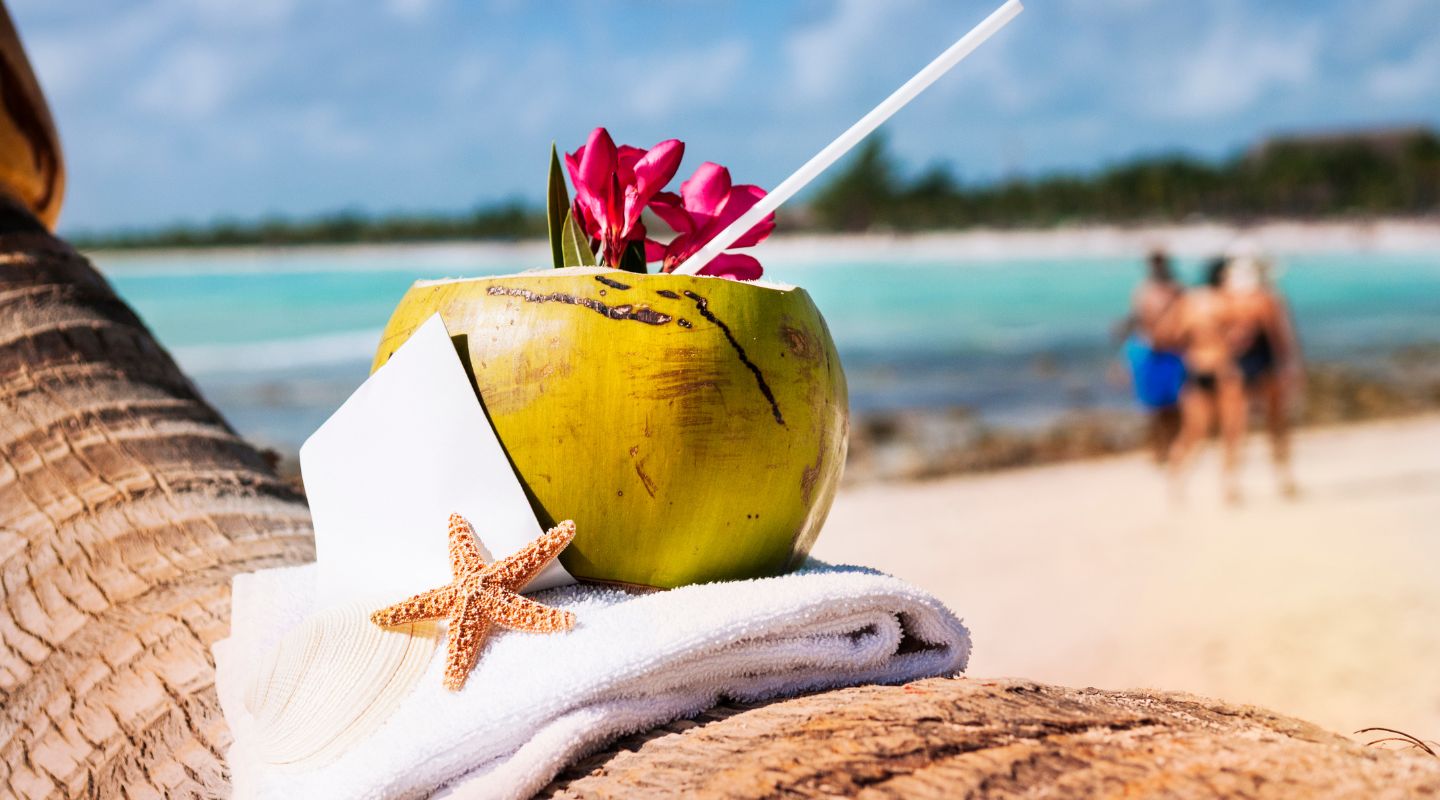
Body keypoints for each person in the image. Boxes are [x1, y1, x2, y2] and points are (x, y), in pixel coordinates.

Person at [1156, 258, 1247, 503]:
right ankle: (1229, 487)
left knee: (1192, 433)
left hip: (1194, 367)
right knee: (1231, 431)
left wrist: (1193, 344)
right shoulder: (1227, 301)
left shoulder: (1188, 301)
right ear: (1224, 276)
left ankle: (1176, 486)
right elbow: (1242, 336)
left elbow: (1165, 335)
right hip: (1222, 369)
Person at [1223, 251, 1302, 497]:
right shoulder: (1267, 300)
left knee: (1235, 427)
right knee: (1275, 423)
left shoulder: (1226, 299)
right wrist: (1291, 367)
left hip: (1237, 365)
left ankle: (1231, 483)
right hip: (1264, 363)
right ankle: (1283, 478)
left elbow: (1219, 339)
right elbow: (1280, 339)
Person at [1117, 249, 1186, 463]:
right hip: (1149, 351)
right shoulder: (1143, 291)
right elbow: (1135, 320)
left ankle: (1175, 447)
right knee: (1153, 407)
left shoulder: (1176, 289)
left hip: (1173, 351)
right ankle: (1159, 449)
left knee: (1176, 405)